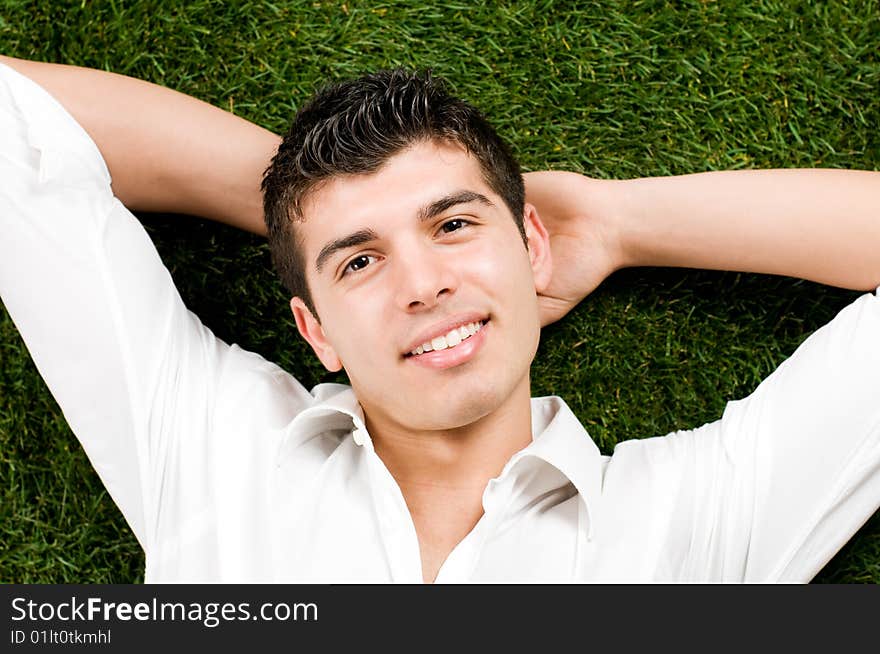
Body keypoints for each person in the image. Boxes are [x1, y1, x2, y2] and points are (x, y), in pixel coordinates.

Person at [1, 54, 878, 583]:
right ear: (316, 333)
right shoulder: (212, 452)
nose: (422, 285)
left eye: (454, 225)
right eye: (362, 263)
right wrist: (297, 205)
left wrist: (614, 224)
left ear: (531, 247)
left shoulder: (689, 525)